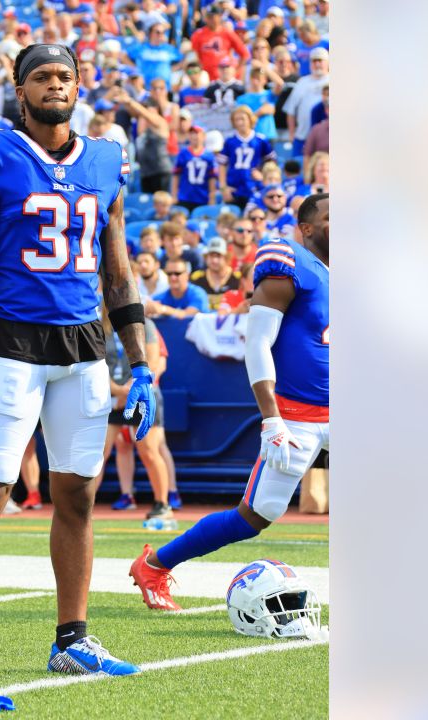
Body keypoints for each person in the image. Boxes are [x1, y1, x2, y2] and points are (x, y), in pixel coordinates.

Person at [0, 43, 152, 677]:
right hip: (15, 345)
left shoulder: (108, 159)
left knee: (79, 496)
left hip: (87, 347)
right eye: (42, 77)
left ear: (79, 84)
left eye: (65, 76)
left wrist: (138, 362)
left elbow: (117, 272)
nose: (55, 86)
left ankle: (73, 640)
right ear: (20, 87)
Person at [129, 193, 329, 611]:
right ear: (307, 228)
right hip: (295, 416)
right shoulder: (292, 262)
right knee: (254, 517)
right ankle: (154, 564)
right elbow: (257, 344)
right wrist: (271, 418)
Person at [100, 314, 172, 519]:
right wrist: (116, 390)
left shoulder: (145, 324)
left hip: (143, 394)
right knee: (98, 452)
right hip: (113, 397)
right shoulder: (99, 325)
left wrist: (131, 389)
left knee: (149, 450)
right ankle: (83, 505)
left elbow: (154, 361)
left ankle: (162, 504)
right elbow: (96, 363)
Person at [217, 106, 276, 211]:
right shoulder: (230, 141)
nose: (240, 123)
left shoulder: (260, 140)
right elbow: (222, 164)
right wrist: (223, 187)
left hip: (255, 186)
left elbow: (271, 163)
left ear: (250, 119)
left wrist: (263, 175)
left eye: (243, 119)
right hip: (234, 187)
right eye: (237, 120)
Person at [282, 46, 329, 158]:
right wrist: (292, 133)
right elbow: (291, 111)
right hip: (302, 137)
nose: (317, 64)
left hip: (327, 139)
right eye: (314, 61)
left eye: (320, 60)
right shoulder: (302, 82)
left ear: (328, 62)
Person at [171, 125, 215, 213]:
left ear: (203, 136)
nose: (194, 136)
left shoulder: (209, 155)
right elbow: (176, 175)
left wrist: (212, 197)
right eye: (191, 133)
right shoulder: (183, 153)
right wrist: (174, 195)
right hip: (185, 197)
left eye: (197, 133)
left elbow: (212, 178)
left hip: (202, 197)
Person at [190, 237, 241, 309]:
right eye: (211, 256)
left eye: (218, 256)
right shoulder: (196, 278)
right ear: (206, 257)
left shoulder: (238, 278)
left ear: (226, 257)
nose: (214, 260)